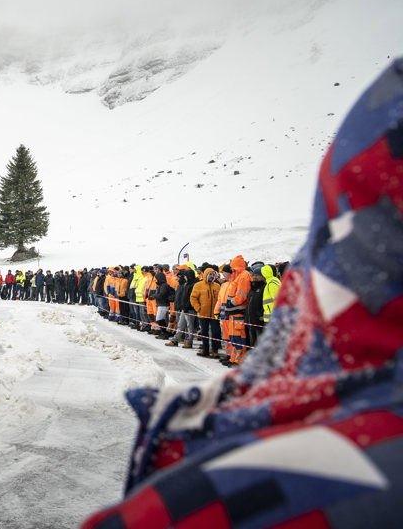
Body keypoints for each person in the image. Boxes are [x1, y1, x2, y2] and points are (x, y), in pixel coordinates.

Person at [80, 57, 403, 529]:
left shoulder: (215, 496)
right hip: (217, 323)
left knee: (225, 337)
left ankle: (218, 350)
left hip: (227, 330)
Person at [190, 267, 222, 358]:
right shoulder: (198, 285)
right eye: (210, 274)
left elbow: (220, 298)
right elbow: (193, 298)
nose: (212, 276)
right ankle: (205, 350)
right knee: (204, 332)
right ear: (206, 275)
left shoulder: (217, 286)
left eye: (213, 274)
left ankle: (215, 350)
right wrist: (198, 308)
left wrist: (219, 310)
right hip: (202, 313)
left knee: (216, 332)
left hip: (215, 314)